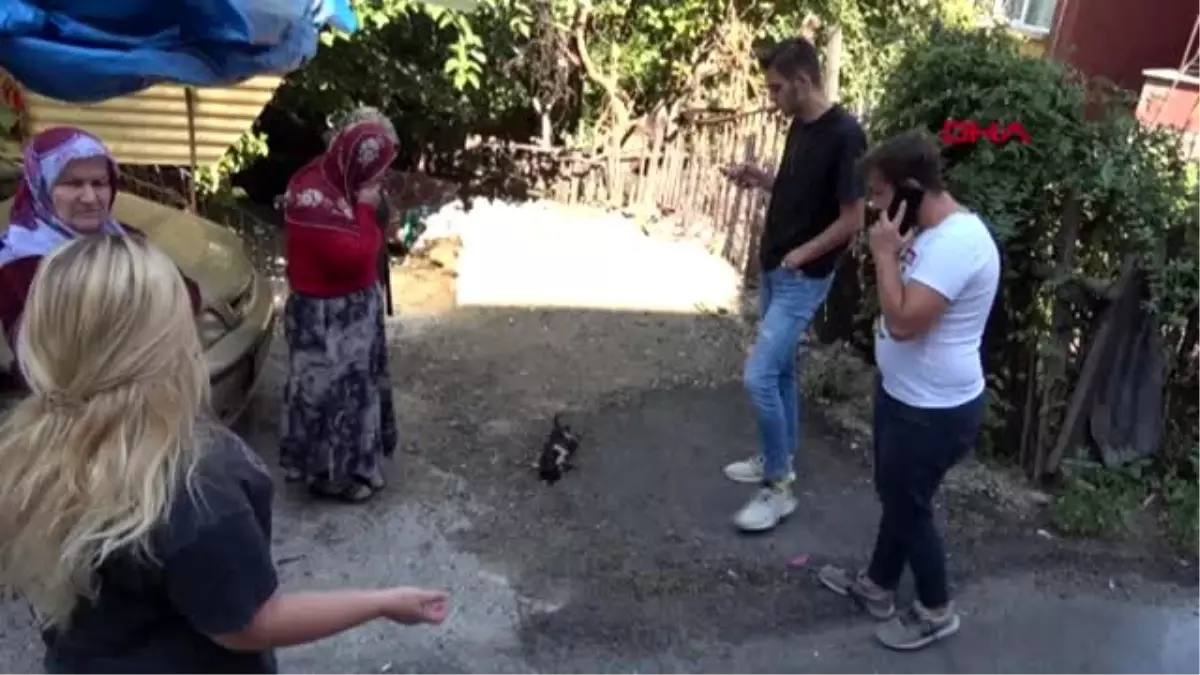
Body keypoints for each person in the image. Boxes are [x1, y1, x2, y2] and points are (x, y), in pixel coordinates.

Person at [0, 234, 450, 675]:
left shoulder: (27, 444)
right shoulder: (196, 484)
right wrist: (383, 602)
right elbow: (247, 625)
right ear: (162, 344)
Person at [817, 131, 1000, 651]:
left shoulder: (959, 244)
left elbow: (902, 322)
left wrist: (882, 255)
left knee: (908, 505)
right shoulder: (926, 230)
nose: (874, 207)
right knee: (898, 497)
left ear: (912, 189)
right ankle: (877, 585)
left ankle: (936, 608)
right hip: (905, 394)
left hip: (934, 410)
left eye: (879, 193)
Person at [721, 37, 867, 532]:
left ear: (803, 82)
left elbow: (852, 219)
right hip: (775, 268)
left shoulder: (847, 135)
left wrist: (803, 254)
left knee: (758, 375)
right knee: (779, 372)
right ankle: (774, 456)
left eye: (777, 88)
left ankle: (779, 488)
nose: (772, 98)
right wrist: (761, 178)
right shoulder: (798, 126)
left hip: (803, 277)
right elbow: (800, 189)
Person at [0, 126, 201, 359]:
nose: (90, 198)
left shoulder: (121, 234)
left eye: (99, 183)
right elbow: (56, 351)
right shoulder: (21, 263)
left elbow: (187, 294)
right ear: (41, 187)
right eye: (73, 184)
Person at [279, 119, 399, 502]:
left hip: (352, 308)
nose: (378, 183)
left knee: (355, 392)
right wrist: (365, 210)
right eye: (374, 176)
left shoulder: (335, 177)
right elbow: (358, 254)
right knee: (332, 395)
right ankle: (333, 477)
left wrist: (371, 209)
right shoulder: (312, 200)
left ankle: (354, 469)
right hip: (325, 315)